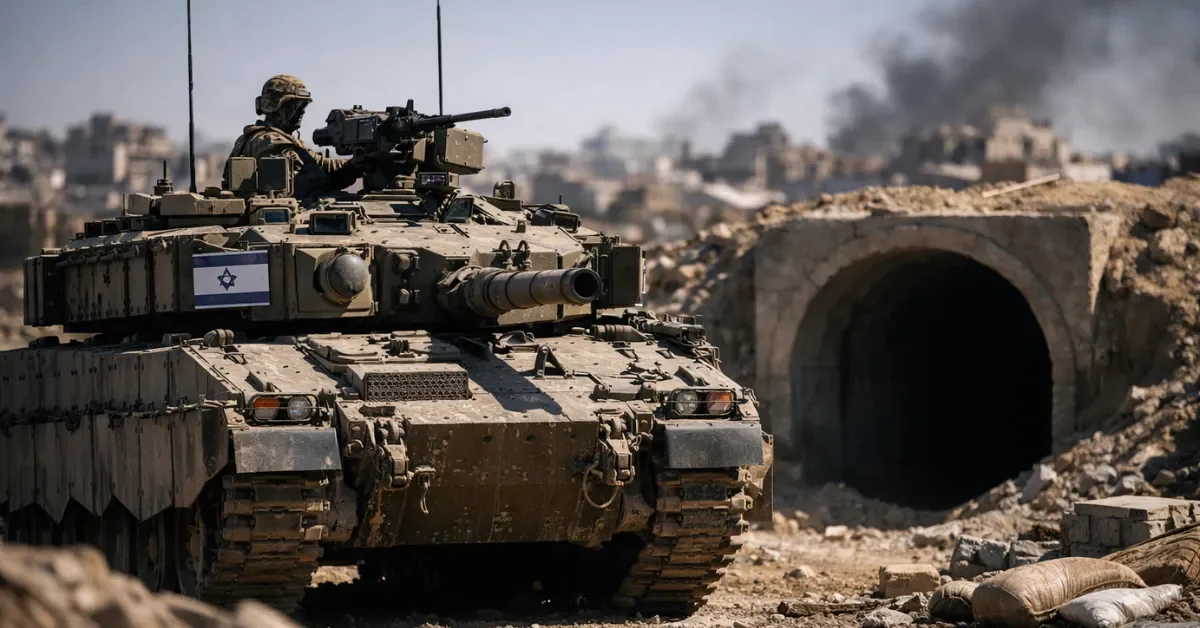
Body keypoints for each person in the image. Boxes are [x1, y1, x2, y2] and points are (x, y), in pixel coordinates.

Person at [222, 74, 362, 197]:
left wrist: (356, 163)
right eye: (296, 106)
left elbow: (320, 164)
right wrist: (352, 170)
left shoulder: (272, 138)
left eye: (304, 106)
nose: (302, 112)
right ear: (276, 107)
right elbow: (308, 183)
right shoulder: (270, 142)